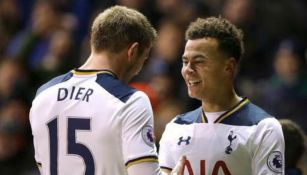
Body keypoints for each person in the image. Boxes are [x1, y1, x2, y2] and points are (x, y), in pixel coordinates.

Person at [29, 5, 162, 175]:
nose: (140, 67)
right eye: (144, 58)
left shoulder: (43, 95)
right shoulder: (130, 100)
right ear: (133, 51)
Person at [158, 16, 285, 175]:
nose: (188, 70)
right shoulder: (175, 127)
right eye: (185, 62)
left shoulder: (263, 128)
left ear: (229, 67)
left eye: (199, 61)